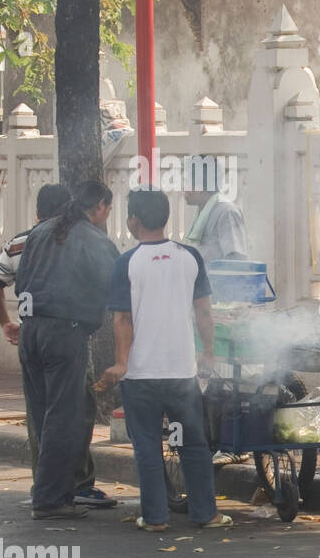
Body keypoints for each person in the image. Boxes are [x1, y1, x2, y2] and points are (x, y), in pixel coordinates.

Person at [98, 188, 231, 531]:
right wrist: (209, 352)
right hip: (181, 372)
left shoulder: (126, 263)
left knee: (146, 447)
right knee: (192, 445)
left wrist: (121, 362)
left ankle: (155, 518)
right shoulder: (190, 257)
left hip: (141, 375)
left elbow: (122, 319)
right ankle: (207, 513)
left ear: (133, 221)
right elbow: (204, 310)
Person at [14, 182, 121, 519]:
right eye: (108, 210)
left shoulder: (40, 231)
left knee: (45, 415)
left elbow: (20, 284)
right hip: (64, 333)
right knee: (63, 418)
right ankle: (49, 500)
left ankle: (50, 491)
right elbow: (118, 287)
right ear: (100, 206)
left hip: (30, 332)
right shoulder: (92, 239)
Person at [182, 156, 248, 263]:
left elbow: (236, 260)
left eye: (187, 182)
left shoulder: (227, 212)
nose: (183, 188)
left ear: (200, 187)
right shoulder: (203, 212)